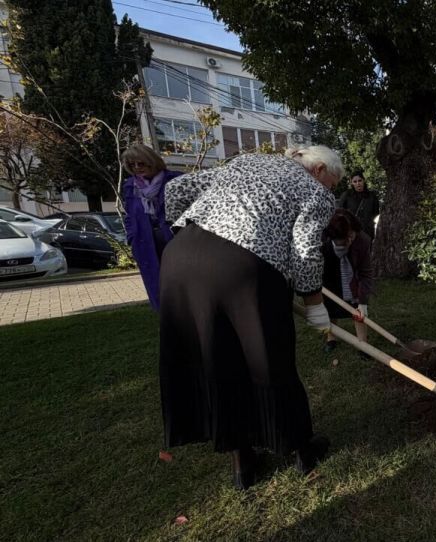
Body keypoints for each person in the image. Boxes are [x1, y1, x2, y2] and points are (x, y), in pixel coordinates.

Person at [159, 146, 342, 490]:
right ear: (318, 170)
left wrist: (196, 235)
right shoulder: (314, 192)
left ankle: (242, 462)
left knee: (217, 360)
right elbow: (305, 251)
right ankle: (301, 449)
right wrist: (315, 305)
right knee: (268, 360)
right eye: (332, 184)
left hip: (181, 258)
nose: (330, 192)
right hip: (244, 269)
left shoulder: (247, 161)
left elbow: (176, 190)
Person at [120, 144, 182, 311]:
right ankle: (168, 320)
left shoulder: (175, 180)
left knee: (182, 282)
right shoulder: (130, 186)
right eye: (132, 165)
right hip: (145, 242)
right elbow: (130, 215)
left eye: (141, 163)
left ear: (152, 161)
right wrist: (132, 237)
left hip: (175, 240)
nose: (137, 168)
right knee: (157, 286)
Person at [321, 208, 374, 353]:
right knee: (329, 306)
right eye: (342, 242)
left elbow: (365, 273)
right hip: (329, 273)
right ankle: (331, 338)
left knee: (357, 307)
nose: (347, 242)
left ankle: (363, 344)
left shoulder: (362, 241)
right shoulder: (321, 239)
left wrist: (362, 302)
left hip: (352, 274)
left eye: (349, 238)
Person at [337, 171, 380, 239]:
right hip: (352, 233)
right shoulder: (347, 195)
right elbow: (340, 213)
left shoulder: (372, 196)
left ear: (363, 180)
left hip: (367, 233)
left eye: (360, 180)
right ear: (352, 183)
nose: (358, 183)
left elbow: (376, 214)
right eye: (355, 181)